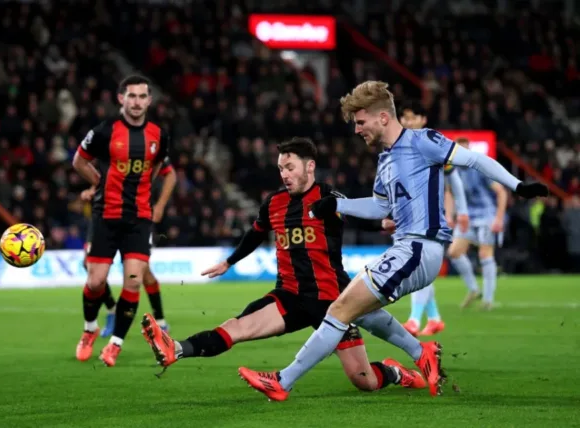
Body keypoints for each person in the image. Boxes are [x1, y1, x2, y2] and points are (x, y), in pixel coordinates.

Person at [238, 80, 548, 400]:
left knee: (339, 309)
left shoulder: (421, 140)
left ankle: (282, 381)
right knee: (358, 309)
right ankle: (421, 352)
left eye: (361, 122)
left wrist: (518, 186)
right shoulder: (385, 159)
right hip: (405, 247)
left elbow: (474, 160)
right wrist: (338, 204)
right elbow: (381, 206)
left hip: (418, 247)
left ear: (383, 117)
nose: (357, 130)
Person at [141, 137, 426, 394]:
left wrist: (386, 223)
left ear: (309, 166)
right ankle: (176, 348)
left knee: (364, 381)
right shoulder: (274, 203)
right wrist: (228, 262)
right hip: (289, 296)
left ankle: (396, 372)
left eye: (290, 167)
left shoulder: (329, 199)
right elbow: (255, 233)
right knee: (237, 327)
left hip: (334, 301)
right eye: (281, 169)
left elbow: (365, 216)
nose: (285, 174)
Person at [72, 74, 169, 367]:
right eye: (132, 96)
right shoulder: (105, 132)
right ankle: (90, 329)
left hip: (138, 219)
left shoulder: (159, 135)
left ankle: (115, 345)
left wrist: (146, 194)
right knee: (96, 281)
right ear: (121, 99)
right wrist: (98, 180)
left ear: (149, 101)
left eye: (142, 97)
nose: (137, 102)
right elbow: (79, 160)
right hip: (106, 215)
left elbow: (160, 166)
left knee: (133, 282)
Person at [382, 102, 470, 336]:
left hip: (430, 217)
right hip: (409, 218)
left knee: (418, 266)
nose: (408, 122)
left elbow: (454, 180)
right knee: (420, 269)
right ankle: (434, 317)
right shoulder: (397, 148)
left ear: (423, 119)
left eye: (412, 118)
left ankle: (413, 319)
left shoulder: (431, 144)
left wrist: (461, 212)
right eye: (405, 118)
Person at [80, 155, 176, 337]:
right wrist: (92, 190)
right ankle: (111, 309)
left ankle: (161, 320)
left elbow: (170, 174)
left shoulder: (150, 141)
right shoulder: (110, 138)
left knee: (143, 272)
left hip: (136, 214)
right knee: (89, 265)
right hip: (104, 213)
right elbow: (106, 175)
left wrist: (160, 205)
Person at [446, 137, 508, 310]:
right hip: (466, 217)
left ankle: (488, 299)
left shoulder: (480, 168)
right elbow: (449, 193)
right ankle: (474, 289)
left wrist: (498, 218)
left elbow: (501, 192)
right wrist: (449, 216)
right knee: (454, 252)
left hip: (486, 215)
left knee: (485, 254)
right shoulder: (452, 170)